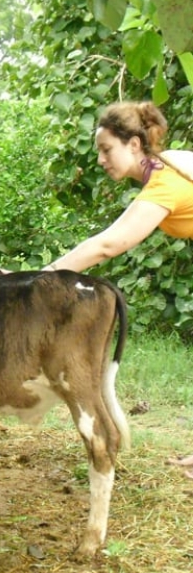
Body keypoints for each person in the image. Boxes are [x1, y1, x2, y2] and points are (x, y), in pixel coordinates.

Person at [42, 100, 193, 478]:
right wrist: (47, 270)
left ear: (135, 145)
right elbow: (106, 236)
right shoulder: (167, 165)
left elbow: (109, 246)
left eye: (106, 149)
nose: (100, 159)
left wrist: (39, 278)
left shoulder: (165, 182)